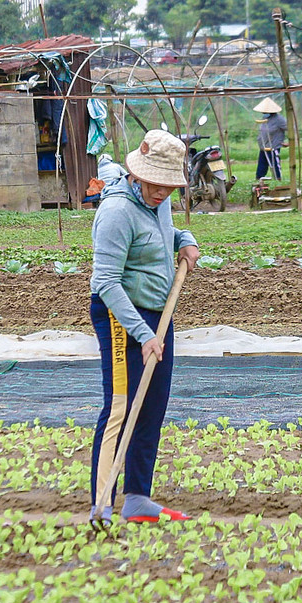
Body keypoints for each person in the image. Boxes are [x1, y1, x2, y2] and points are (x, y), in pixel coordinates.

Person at [89, 129, 201, 523]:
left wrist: (184, 239)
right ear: (137, 174)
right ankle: (102, 503)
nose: (162, 192)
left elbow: (164, 233)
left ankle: (137, 498)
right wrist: (143, 334)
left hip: (158, 312)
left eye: (169, 186)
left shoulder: (159, 200)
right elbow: (106, 282)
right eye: (155, 184)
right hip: (121, 316)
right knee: (122, 407)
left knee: (152, 405)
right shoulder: (116, 212)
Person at [253, 97, 287, 180]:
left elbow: (291, 128)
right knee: (261, 166)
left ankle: (278, 179)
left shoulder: (279, 119)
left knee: (275, 165)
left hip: (273, 147)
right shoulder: (265, 118)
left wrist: (289, 142)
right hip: (263, 147)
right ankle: (259, 180)